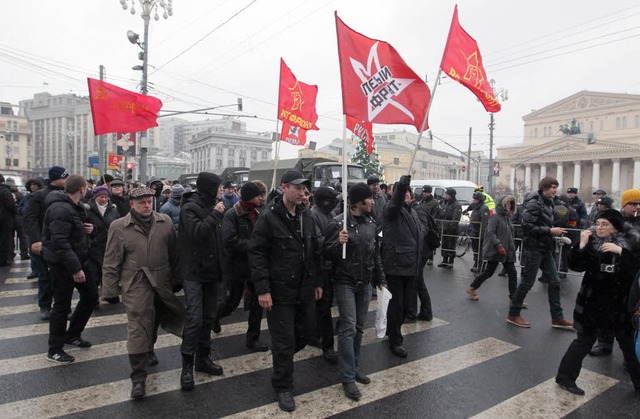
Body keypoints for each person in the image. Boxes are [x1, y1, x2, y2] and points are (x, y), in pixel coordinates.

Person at [248, 170, 323, 412]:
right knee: (283, 342)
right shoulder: (268, 216)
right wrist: (263, 290)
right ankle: (283, 385)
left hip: (303, 288)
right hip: (279, 291)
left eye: (304, 188)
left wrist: (317, 282)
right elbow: (257, 254)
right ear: (284, 188)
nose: (302, 192)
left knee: (307, 333)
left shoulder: (306, 215)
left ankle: (284, 359)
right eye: (297, 188)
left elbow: (312, 251)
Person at [102, 185, 184, 399]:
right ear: (132, 204)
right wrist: (109, 291)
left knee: (155, 320)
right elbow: (111, 261)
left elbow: (174, 253)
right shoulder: (119, 226)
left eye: (149, 202)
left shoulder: (164, 222)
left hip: (162, 281)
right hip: (136, 282)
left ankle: (149, 348)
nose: (147, 206)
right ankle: (138, 378)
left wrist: (177, 280)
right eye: (142, 203)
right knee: (138, 327)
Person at [555, 209, 640, 396]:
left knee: (628, 345)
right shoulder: (593, 241)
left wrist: (622, 252)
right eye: (598, 223)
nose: (599, 228)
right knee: (583, 342)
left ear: (615, 227)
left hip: (620, 304)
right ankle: (565, 378)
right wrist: (582, 246)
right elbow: (576, 265)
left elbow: (635, 269)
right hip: (593, 302)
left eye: (605, 224)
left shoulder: (632, 242)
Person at [323, 182, 385, 401]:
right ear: (359, 202)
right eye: (370, 198)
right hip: (345, 282)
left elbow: (375, 252)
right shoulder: (338, 223)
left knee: (359, 327)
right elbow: (324, 254)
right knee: (348, 327)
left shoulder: (370, 222)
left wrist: (381, 278)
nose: (373, 201)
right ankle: (347, 377)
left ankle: (355, 366)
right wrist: (337, 243)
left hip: (365, 282)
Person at [42, 175, 98, 363]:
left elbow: (73, 233)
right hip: (63, 264)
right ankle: (54, 349)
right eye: (87, 187)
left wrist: (87, 230)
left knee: (91, 296)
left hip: (79, 259)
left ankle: (72, 334)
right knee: (61, 306)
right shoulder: (60, 208)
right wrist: (75, 269)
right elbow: (60, 242)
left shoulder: (75, 206)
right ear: (82, 189)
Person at [178, 172, 226, 391]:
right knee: (194, 318)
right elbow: (198, 233)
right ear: (209, 188)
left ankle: (203, 359)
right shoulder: (190, 207)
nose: (222, 190)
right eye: (219, 187)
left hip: (211, 272)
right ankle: (186, 366)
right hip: (194, 272)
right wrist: (215, 215)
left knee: (208, 317)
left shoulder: (213, 205)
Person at [507, 177, 573, 329]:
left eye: (556, 187)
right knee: (527, 282)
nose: (555, 190)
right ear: (544, 188)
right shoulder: (534, 203)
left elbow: (541, 224)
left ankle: (557, 318)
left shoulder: (548, 203)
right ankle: (513, 314)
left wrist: (554, 235)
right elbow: (527, 227)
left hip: (545, 248)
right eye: (552, 187)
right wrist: (550, 231)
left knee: (555, 281)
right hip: (534, 248)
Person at [216, 181, 268, 352]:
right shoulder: (232, 215)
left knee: (256, 305)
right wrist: (253, 245)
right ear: (249, 197)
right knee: (231, 302)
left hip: (254, 266)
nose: (261, 198)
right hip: (236, 267)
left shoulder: (259, 212)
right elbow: (229, 241)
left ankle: (253, 339)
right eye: (258, 195)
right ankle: (214, 318)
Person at [382, 175, 423, 358]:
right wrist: (401, 186)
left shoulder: (411, 212)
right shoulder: (392, 209)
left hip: (411, 266)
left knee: (407, 307)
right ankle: (395, 340)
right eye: (403, 193)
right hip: (397, 266)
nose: (406, 196)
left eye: (408, 193)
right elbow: (395, 204)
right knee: (397, 307)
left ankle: (393, 331)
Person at [24, 166, 69, 320]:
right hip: (45, 242)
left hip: (63, 242)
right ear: (56, 179)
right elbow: (30, 219)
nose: (66, 180)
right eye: (64, 177)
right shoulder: (38, 196)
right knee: (45, 276)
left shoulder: (67, 194)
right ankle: (45, 306)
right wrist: (36, 240)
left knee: (63, 278)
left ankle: (63, 306)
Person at [467, 195, 519, 303]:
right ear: (502, 204)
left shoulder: (507, 217)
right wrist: (499, 245)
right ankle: (472, 288)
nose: (509, 206)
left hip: (507, 250)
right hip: (496, 250)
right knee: (488, 272)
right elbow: (490, 232)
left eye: (510, 204)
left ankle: (513, 298)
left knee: (512, 274)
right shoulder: (495, 216)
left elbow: (509, 233)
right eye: (507, 203)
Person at [309, 186, 340, 362]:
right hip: (321, 267)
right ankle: (326, 345)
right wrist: (337, 243)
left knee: (322, 306)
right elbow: (320, 242)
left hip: (330, 265)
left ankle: (315, 333)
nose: (334, 202)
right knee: (323, 307)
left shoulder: (329, 214)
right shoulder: (313, 216)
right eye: (331, 199)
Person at [85, 185, 119, 303]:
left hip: (109, 245)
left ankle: (109, 294)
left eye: (105, 197)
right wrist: (92, 230)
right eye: (101, 197)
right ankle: (94, 297)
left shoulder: (113, 209)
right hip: (93, 246)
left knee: (109, 271)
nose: (103, 199)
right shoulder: (87, 209)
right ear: (95, 197)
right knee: (94, 273)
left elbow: (118, 224)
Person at [437, 188, 462, 268]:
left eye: (447, 194)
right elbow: (441, 214)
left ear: (451, 195)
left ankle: (450, 261)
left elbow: (455, 219)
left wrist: (450, 226)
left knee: (451, 245)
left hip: (451, 229)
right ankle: (444, 260)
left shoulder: (456, 205)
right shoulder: (445, 203)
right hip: (444, 228)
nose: (445, 196)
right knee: (444, 244)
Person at [467, 191, 490, 273]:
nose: (474, 200)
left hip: (479, 232)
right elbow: (471, 212)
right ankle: (476, 263)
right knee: (475, 249)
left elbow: (485, 222)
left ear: (479, 200)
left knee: (480, 250)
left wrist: (483, 234)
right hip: (474, 232)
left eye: (475, 199)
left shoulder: (484, 208)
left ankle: (480, 266)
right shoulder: (475, 206)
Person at [418, 185, 441, 266]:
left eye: (426, 193)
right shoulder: (421, 202)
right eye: (424, 192)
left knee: (429, 243)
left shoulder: (434, 203)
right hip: (422, 225)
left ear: (429, 193)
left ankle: (430, 258)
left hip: (430, 226)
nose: (424, 194)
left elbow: (435, 216)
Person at [0, 175, 17, 266]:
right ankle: (3, 259)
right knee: (5, 239)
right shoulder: (5, 191)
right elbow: (11, 205)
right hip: (5, 218)